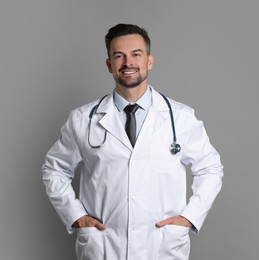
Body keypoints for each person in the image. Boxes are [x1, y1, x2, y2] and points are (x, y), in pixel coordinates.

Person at [42, 23, 223, 260]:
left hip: (162, 246)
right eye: (119, 56)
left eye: (136, 54)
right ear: (109, 65)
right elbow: (54, 170)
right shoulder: (82, 119)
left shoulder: (181, 117)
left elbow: (210, 168)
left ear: (149, 61)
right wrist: (76, 216)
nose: (128, 63)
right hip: (104, 246)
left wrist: (189, 217)